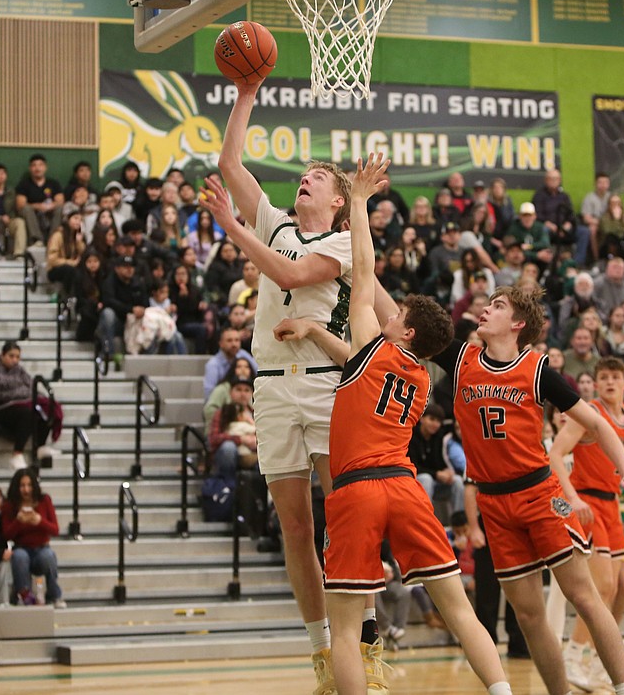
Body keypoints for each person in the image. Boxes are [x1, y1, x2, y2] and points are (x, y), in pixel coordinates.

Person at [271, 154, 511, 695]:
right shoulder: (420, 378)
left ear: (402, 333)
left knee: (349, 628)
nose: (388, 315)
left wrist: (357, 202)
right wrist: (311, 329)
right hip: (404, 489)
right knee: (459, 610)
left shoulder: (372, 347)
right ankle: (503, 691)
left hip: (358, 491)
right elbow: (350, 359)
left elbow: (360, 268)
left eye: (397, 316)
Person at [200, 76, 368, 689]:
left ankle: (365, 637)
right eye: (303, 174)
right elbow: (229, 162)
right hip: (271, 386)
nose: (305, 177)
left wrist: (233, 230)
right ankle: (323, 651)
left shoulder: (347, 241)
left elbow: (292, 275)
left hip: (327, 383)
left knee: (344, 515)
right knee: (295, 528)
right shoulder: (275, 223)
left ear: (338, 199)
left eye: (318, 176)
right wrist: (247, 92)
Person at [425, 283, 624, 695]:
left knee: (583, 595)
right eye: (487, 304)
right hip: (494, 502)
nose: (486, 310)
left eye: (498, 305)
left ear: (518, 323)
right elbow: (411, 321)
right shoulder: (461, 358)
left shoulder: (538, 369)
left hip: (541, 493)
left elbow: (597, 423)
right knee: (528, 617)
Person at [550, 357, 624, 692]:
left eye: (616, 377)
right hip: (586, 503)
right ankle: (573, 654)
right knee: (601, 587)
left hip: (614, 503)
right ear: (596, 384)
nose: (611, 382)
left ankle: (604, 662)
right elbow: (555, 455)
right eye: (604, 377)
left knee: (621, 587)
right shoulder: (587, 414)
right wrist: (572, 498)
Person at [2, 468, 64, 607]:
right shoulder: (9, 504)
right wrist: (18, 521)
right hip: (21, 547)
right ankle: (24, 596)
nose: (26, 489)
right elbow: (6, 535)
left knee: (48, 556)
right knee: (19, 557)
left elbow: (55, 530)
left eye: (29, 485)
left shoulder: (44, 500)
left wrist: (39, 521)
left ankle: (55, 595)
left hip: (41, 547)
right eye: (22, 486)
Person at [0, 341, 48, 470]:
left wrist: (16, 390)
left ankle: (40, 446)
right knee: (27, 413)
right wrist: (20, 387)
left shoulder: (20, 370)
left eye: (17, 357)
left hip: (18, 406)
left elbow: (31, 388)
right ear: (2, 355)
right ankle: (17, 453)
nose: (15, 360)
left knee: (45, 408)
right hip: (0, 408)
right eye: (11, 356)